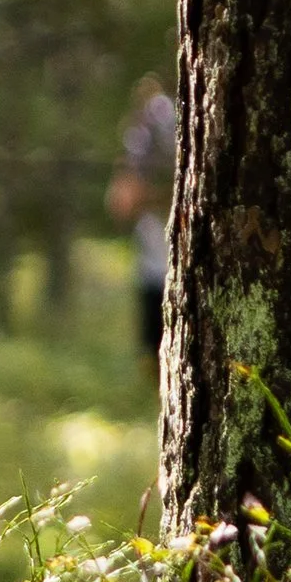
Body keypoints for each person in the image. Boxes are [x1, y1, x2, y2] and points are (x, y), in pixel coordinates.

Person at [108, 71, 177, 371]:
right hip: (152, 263)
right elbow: (121, 202)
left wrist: (146, 197)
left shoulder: (167, 124)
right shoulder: (139, 137)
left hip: (177, 262)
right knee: (151, 351)